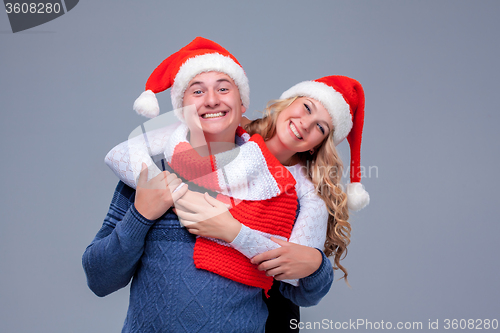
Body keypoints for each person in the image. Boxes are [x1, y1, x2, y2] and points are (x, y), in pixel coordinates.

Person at [83, 37, 340, 333]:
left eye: (223, 88)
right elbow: (99, 279)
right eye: (197, 90)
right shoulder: (148, 173)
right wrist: (141, 215)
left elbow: (298, 292)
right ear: (181, 109)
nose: (211, 99)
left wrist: (317, 267)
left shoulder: (275, 185)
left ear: (242, 103)